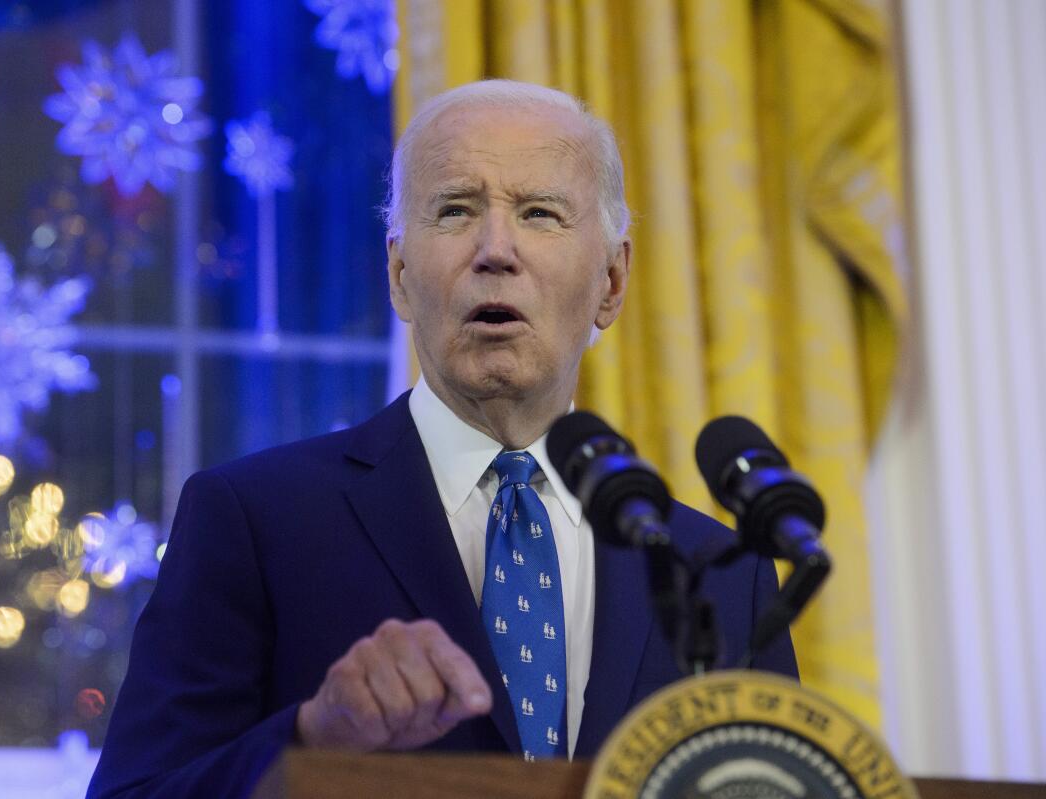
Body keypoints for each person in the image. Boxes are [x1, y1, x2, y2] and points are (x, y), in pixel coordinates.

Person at [86, 80, 797, 798]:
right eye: (455, 210)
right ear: (399, 275)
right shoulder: (254, 518)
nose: (495, 250)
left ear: (611, 282)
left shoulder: (722, 576)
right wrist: (311, 738)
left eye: (540, 213)